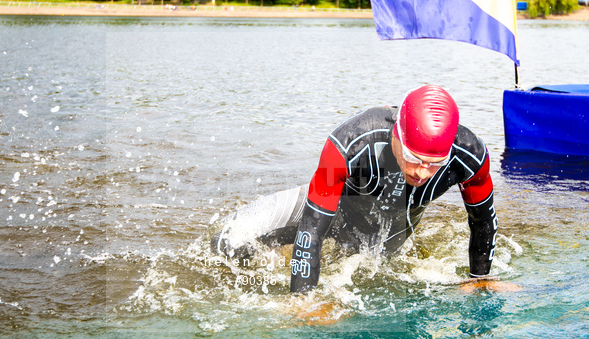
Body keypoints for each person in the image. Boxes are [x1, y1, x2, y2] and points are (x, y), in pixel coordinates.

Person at [211, 85, 497, 294]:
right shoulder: (351, 141)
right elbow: (311, 225)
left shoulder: (469, 155)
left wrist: (479, 280)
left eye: (435, 164)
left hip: (395, 224)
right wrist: (303, 301)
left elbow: (483, 221)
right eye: (414, 158)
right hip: (337, 204)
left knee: (376, 281)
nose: (422, 172)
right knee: (226, 241)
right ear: (397, 134)